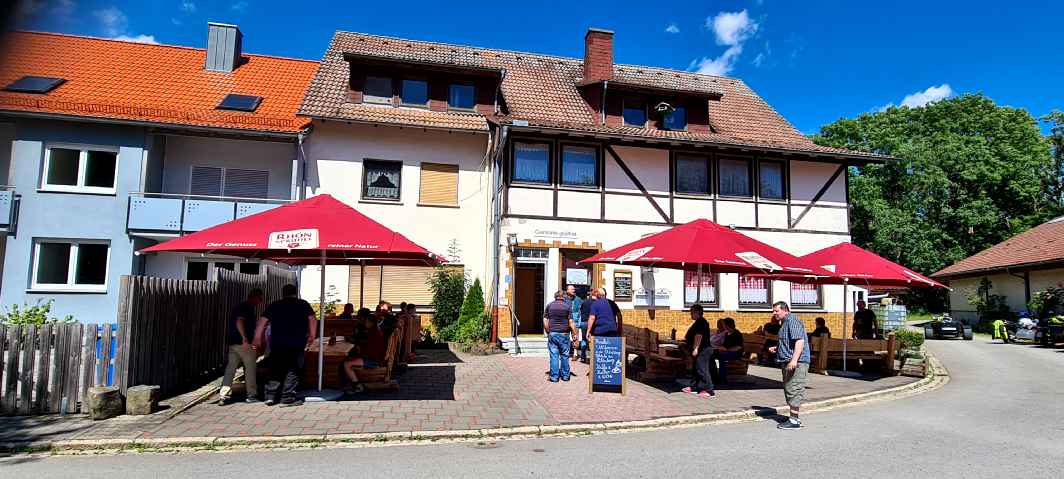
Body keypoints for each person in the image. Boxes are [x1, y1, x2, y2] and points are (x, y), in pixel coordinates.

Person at [253, 284, 316, 407]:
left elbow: (262, 322)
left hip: (277, 343)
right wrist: (312, 335)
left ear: (283, 293)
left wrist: (257, 338)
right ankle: (287, 398)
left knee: (275, 368)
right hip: (297, 342)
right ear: (295, 293)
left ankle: (270, 396)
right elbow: (312, 319)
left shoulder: (274, 305)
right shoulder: (303, 304)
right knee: (293, 369)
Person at [767, 301, 810, 430]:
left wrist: (794, 360)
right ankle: (793, 417)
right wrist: (777, 348)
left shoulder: (792, 321)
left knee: (794, 388)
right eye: (773, 311)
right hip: (787, 361)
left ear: (785, 310)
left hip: (797, 362)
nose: (774, 313)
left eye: (776, 311)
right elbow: (789, 342)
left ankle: (794, 421)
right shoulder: (785, 323)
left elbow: (800, 341)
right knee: (789, 388)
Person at [218, 288, 264, 405]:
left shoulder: (240, 306)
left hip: (233, 342)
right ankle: (251, 395)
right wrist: (244, 338)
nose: (260, 301)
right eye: (260, 299)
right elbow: (239, 321)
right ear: (254, 297)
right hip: (244, 344)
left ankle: (224, 395)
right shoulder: (246, 307)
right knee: (250, 369)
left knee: (230, 369)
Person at [341, 313, 387, 395]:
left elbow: (369, 350)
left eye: (366, 322)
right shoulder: (375, 330)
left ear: (371, 323)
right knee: (348, 359)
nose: (365, 323)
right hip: (375, 358)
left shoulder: (373, 333)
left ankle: (358, 386)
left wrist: (359, 349)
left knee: (346, 364)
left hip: (374, 360)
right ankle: (349, 383)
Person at [543, 290, 577, 382]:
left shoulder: (549, 305)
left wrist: (548, 331)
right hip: (564, 334)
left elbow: (545, 320)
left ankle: (554, 377)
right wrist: (574, 334)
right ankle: (565, 376)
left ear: (556, 297)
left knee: (554, 356)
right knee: (565, 355)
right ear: (564, 297)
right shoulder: (567, 306)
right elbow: (571, 322)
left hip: (553, 333)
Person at [681, 304, 715, 398]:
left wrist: (695, 348)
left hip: (703, 349)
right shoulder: (698, 322)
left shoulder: (701, 322)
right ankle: (695, 386)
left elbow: (698, 336)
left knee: (702, 369)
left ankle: (709, 390)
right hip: (700, 349)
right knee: (696, 369)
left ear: (697, 312)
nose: (690, 314)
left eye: (692, 312)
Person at [713, 317, 745, 384]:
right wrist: (719, 348)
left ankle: (722, 379)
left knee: (722, 356)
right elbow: (725, 345)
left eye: (724, 324)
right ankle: (714, 376)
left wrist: (727, 350)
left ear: (728, 325)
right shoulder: (726, 333)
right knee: (711, 354)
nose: (723, 326)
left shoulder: (737, 333)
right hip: (727, 352)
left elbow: (739, 347)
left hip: (736, 353)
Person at [565, 284, 588, 363]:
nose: (573, 290)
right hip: (565, 321)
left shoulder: (578, 299)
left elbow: (582, 310)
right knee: (565, 337)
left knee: (575, 337)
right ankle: (565, 352)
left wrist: (579, 320)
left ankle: (575, 354)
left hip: (575, 321)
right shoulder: (564, 299)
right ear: (567, 290)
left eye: (574, 289)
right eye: (572, 289)